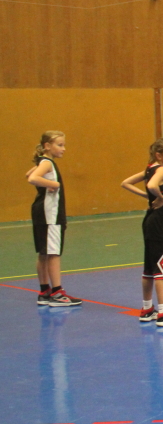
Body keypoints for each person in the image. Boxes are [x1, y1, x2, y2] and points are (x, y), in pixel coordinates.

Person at [121, 137, 163, 327]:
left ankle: (147, 309)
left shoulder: (149, 169)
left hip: (150, 221)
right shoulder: (161, 170)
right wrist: (159, 197)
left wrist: (147, 196)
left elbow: (125, 183)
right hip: (160, 223)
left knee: (149, 268)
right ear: (159, 155)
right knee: (161, 268)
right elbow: (152, 186)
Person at [27, 130, 82, 307]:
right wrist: (53, 184)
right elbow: (33, 178)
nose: (63, 148)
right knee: (53, 253)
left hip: (41, 213)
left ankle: (44, 291)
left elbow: (29, 174)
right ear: (47, 146)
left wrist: (45, 184)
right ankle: (57, 293)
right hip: (50, 214)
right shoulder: (47, 163)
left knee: (44, 252)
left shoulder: (43, 162)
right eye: (60, 145)